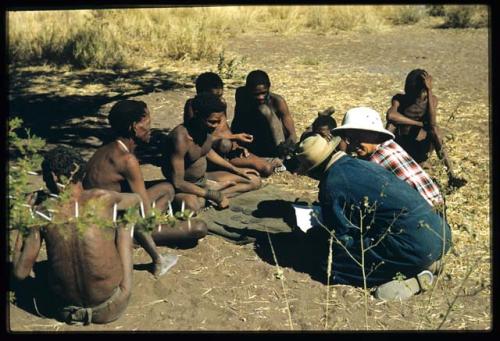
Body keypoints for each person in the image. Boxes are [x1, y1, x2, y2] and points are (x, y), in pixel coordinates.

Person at [294, 135, 452, 300]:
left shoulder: (332, 184)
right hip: (441, 232)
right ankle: (429, 262)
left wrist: (315, 235)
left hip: (414, 246)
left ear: (313, 171)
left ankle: (414, 277)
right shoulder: (361, 163)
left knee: (330, 265)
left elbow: (342, 240)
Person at [12, 146, 140, 325]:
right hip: (110, 308)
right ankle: (126, 287)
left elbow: (19, 273)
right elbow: (136, 199)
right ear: (82, 174)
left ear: (54, 178)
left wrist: (23, 223)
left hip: (66, 311)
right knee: (125, 223)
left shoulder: (42, 213)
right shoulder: (103, 198)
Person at [83, 100, 206, 277]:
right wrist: (158, 223)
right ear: (134, 126)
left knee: (167, 188)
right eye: (147, 122)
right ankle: (137, 240)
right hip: (116, 228)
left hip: (105, 214)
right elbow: (143, 210)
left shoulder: (107, 149)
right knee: (198, 228)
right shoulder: (127, 160)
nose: (151, 128)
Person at [162, 92, 261, 213]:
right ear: (197, 115)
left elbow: (207, 152)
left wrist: (237, 170)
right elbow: (177, 183)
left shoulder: (205, 130)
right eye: (212, 121)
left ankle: (210, 194)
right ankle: (210, 195)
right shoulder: (180, 138)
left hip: (203, 180)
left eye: (219, 121)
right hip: (184, 187)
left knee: (254, 180)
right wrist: (213, 195)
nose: (216, 126)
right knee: (192, 207)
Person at [334, 107, 444, 209]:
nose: (354, 144)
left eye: (359, 138)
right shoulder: (389, 145)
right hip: (434, 210)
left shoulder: (377, 159)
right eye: (350, 139)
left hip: (423, 215)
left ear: (375, 134)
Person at [184, 72, 276, 177]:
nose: (218, 100)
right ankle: (223, 169)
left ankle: (231, 167)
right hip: (209, 153)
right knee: (224, 144)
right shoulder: (193, 106)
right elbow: (199, 139)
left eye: (220, 96)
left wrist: (237, 145)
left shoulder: (220, 104)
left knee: (267, 169)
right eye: (214, 96)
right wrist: (235, 137)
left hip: (227, 152)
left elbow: (225, 129)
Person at [386, 69, 466, 189]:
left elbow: (432, 123)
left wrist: (429, 90)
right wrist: (418, 124)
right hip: (402, 145)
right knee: (390, 125)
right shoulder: (400, 99)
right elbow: (391, 115)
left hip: (421, 147)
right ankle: (382, 161)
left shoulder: (432, 99)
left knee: (436, 131)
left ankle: (451, 176)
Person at [231, 70, 297, 166]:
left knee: (264, 109)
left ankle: (279, 158)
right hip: (251, 137)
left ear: (269, 87)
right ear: (248, 89)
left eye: (263, 93)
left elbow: (292, 134)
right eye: (256, 94)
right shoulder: (241, 94)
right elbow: (238, 121)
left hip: (273, 141)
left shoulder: (278, 101)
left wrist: (287, 147)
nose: (260, 97)